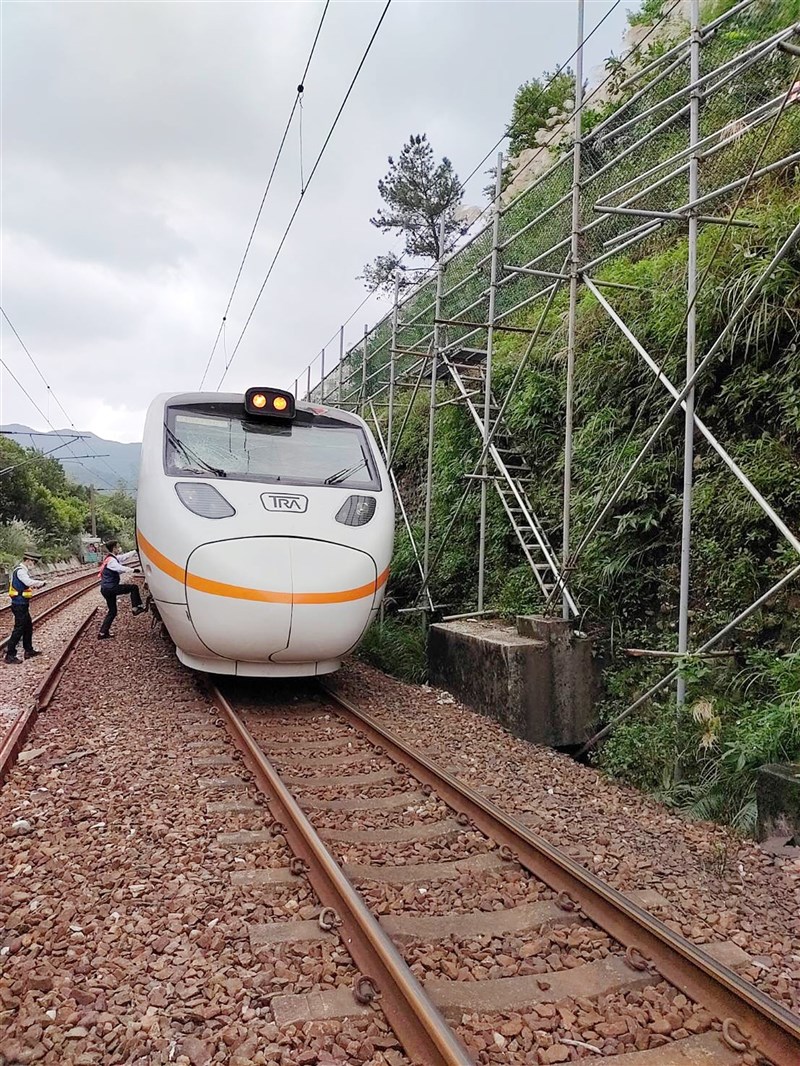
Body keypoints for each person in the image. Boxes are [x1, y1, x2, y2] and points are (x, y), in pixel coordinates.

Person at [5, 552, 47, 665]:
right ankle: (10, 654)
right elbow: (28, 582)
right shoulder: (20, 571)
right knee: (19, 629)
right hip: (19, 604)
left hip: (22, 603)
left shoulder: (21, 570)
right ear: (28, 560)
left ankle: (28, 650)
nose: (34, 564)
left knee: (28, 626)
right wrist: (41, 583)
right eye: (33, 562)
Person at [98, 540, 146, 639]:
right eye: (117, 547)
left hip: (105, 589)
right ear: (114, 548)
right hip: (111, 588)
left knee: (112, 611)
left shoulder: (110, 558)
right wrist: (133, 570)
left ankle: (102, 633)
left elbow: (124, 557)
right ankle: (136, 607)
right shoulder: (112, 561)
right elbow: (118, 568)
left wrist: (135, 551)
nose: (119, 549)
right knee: (133, 588)